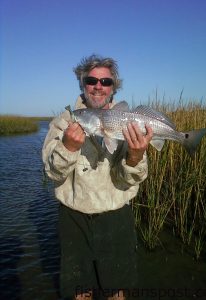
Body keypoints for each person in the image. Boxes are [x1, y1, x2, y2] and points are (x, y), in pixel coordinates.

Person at [42, 54, 152, 300]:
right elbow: (51, 172)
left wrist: (135, 157)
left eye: (106, 82)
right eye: (91, 80)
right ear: (82, 84)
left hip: (116, 216)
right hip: (73, 218)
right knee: (80, 291)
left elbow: (130, 180)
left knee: (116, 291)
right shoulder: (63, 122)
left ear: (114, 87)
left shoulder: (128, 122)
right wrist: (68, 147)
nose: (98, 86)